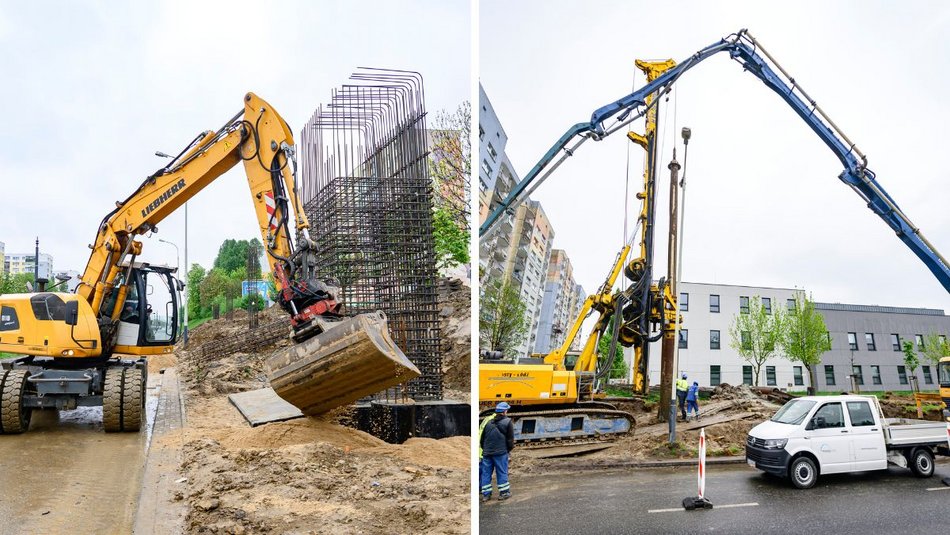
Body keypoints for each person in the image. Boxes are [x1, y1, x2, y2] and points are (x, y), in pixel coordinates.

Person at [479, 401, 514, 502]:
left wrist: (485, 450)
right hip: (500, 453)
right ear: (505, 411)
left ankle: (486, 495)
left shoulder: (488, 422)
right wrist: (508, 450)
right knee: (502, 472)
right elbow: (510, 440)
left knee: (486, 473)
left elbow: (482, 438)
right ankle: (504, 493)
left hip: (487, 453)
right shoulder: (507, 422)